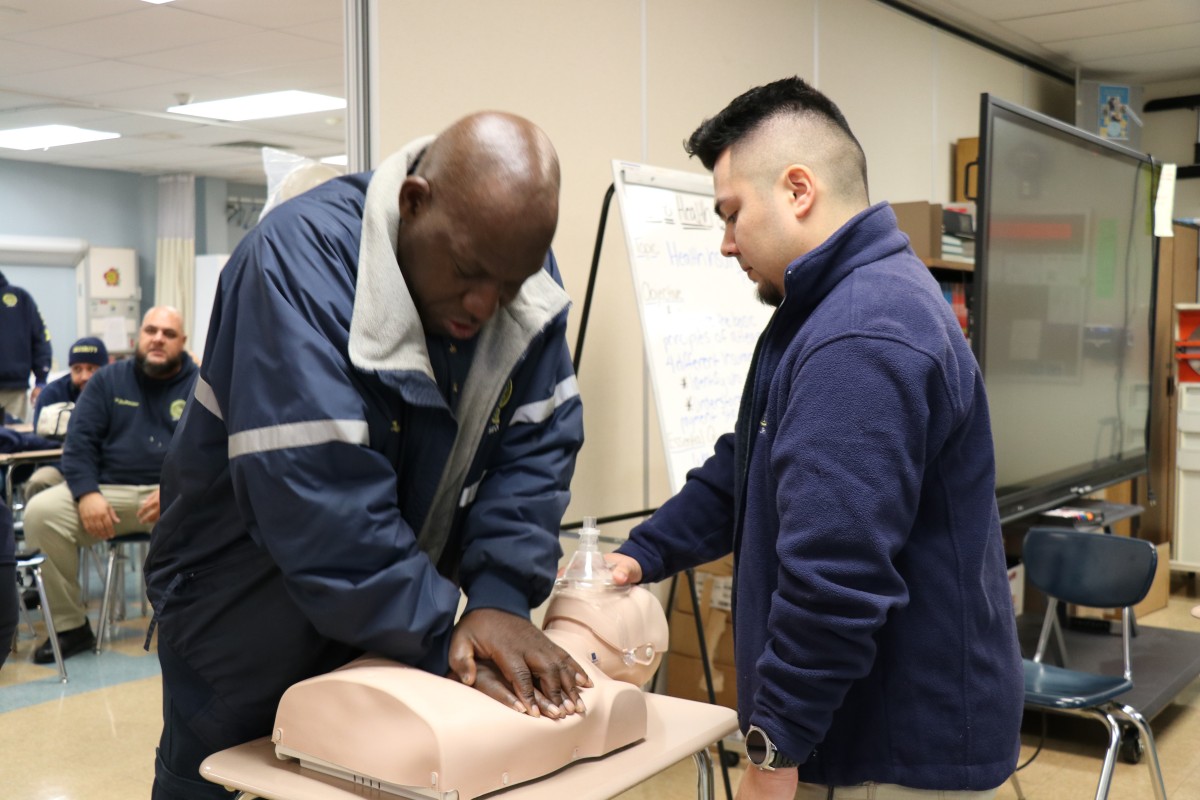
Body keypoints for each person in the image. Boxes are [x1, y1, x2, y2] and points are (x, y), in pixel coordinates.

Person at [143, 111, 588, 799]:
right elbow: (319, 505)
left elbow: (536, 446)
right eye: (470, 272)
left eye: (508, 284)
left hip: (389, 623)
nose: (485, 302)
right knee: (223, 778)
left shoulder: (513, 270)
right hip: (244, 614)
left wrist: (498, 598)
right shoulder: (293, 265)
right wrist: (447, 629)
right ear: (414, 202)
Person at [608, 77, 1023, 799]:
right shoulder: (830, 308)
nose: (726, 243)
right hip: (871, 731)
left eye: (732, 214)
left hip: (890, 754)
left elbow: (837, 577)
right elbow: (748, 464)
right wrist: (640, 555)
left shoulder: (861, 332)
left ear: (798, 190)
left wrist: (775, 743)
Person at [23, 306, 196, 664]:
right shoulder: (107, 380)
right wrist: (86, 493)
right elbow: (79, 444)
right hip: (110, 494)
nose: (158, 338)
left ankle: (198, 623)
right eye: (151, 330)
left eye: (168, 333)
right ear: (138, 338)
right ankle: (71, 627)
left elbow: (215, 453)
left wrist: (180, 489)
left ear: (183, 342)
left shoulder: (203, 385)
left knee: (235, 515)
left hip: (177, 498)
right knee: (41, 513)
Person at [19, 336, 111, 501]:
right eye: (77, 369)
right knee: (38, 482)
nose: (84, 376)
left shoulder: (118, 392)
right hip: (59, 466)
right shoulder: (51, 394)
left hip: (107, 467)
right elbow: (39, 441)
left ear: (105, 369)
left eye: (92, 369)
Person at [0, 270, 52, 422]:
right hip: (16, 386)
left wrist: (41, 381)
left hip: (14, 390)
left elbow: (41, 338)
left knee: (13, 442)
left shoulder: (21, 298)